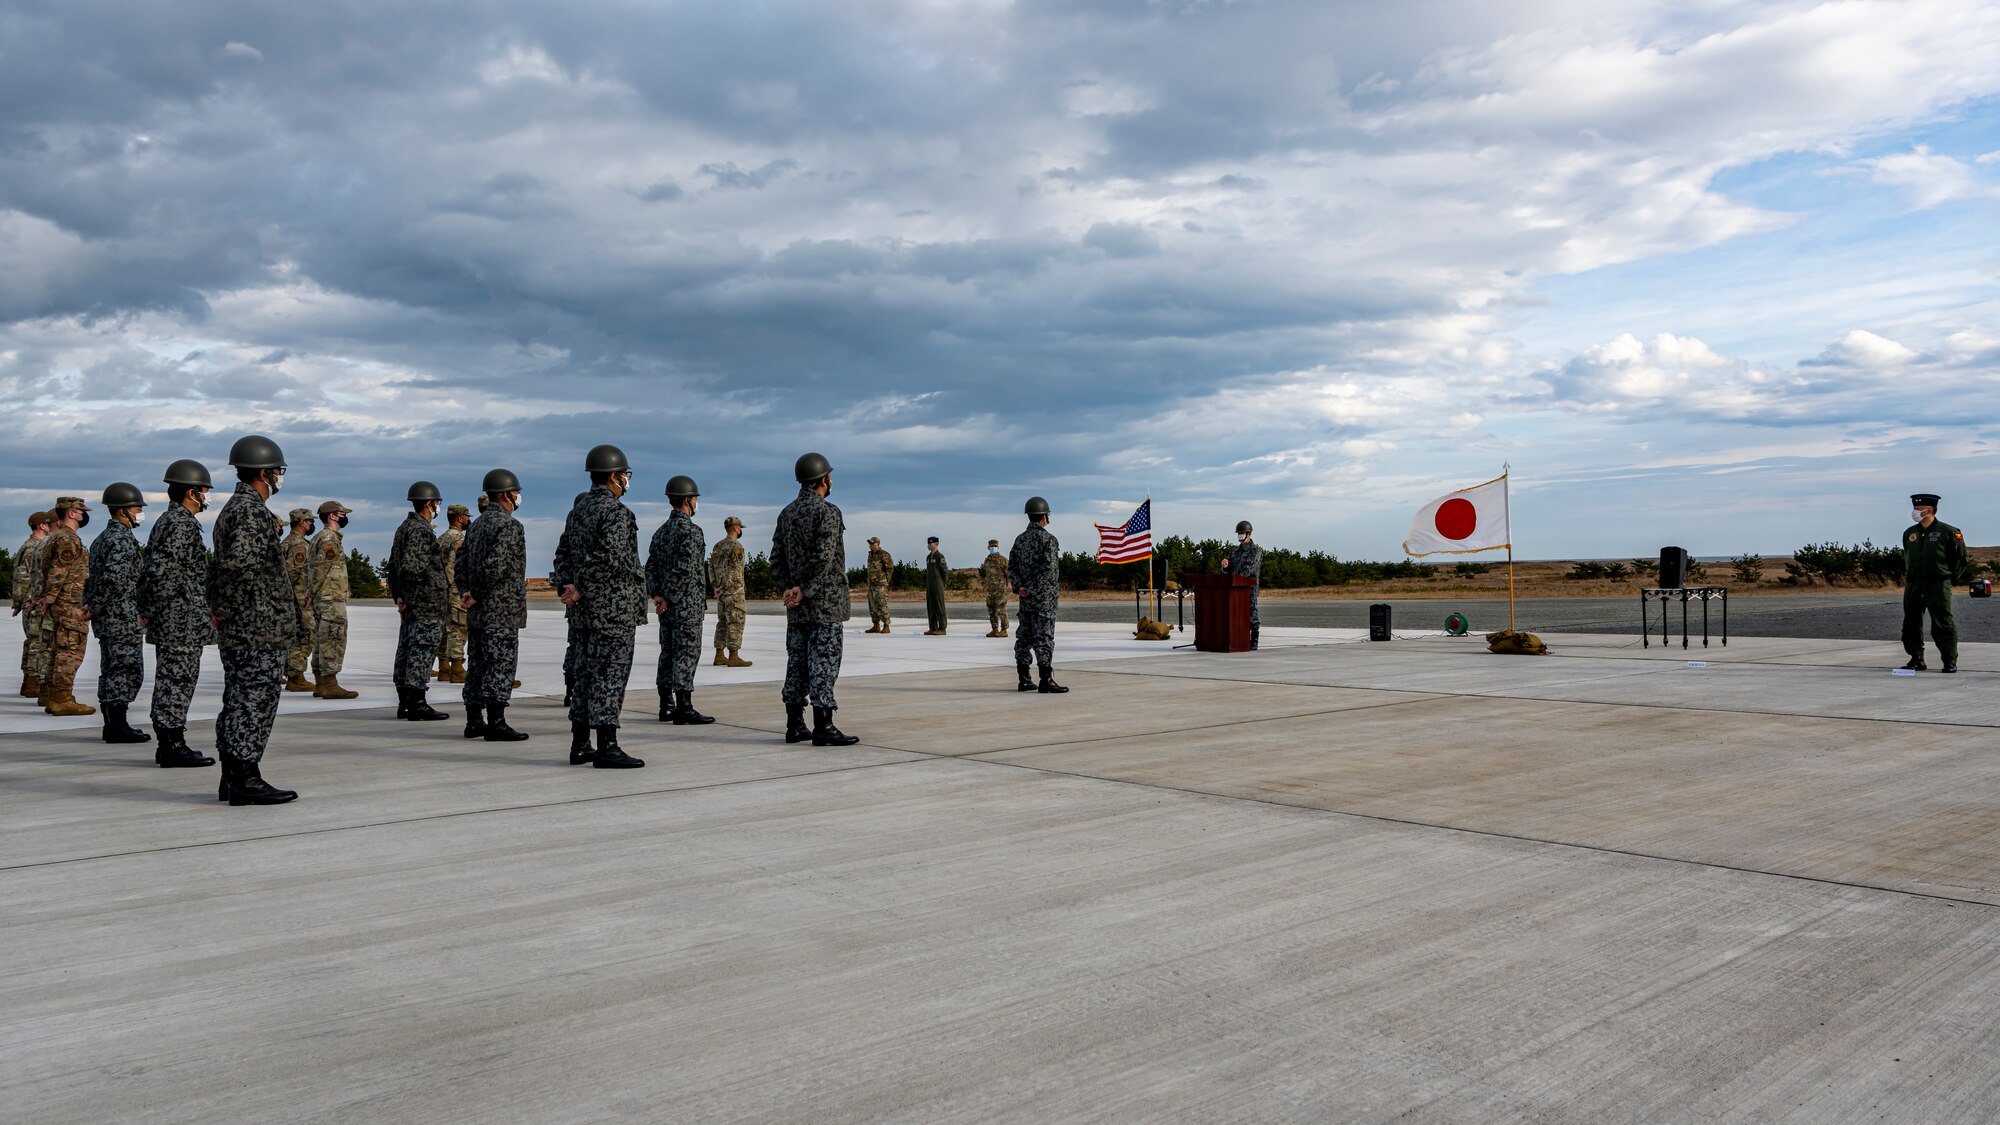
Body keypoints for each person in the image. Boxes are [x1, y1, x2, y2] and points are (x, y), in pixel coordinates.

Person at [207, 434, 303, 805]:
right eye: (278, 471)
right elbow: (236, 567)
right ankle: (245, 779)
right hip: (256, 629)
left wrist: (221, 609)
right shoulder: (250, 511)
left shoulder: (235, 509)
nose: (280, 476)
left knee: (239, 700)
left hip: (247, 627)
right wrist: (225, 609)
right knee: (253, 702)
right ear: (265, 473)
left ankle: (232, 778)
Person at [563, 445, 647, 768]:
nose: (626, 480)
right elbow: (609, 558)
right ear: (613, 476)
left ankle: (580, 743)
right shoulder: (616, 513)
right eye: (624, 475)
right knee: (610, 676)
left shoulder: (578, 511)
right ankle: (607, 746)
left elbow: (563, 554)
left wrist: (568, 585)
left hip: (583, 613)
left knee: (584, 676)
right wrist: (581, 587)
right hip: (613, 611)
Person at [771, 452, 857, 745]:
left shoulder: (787, 513)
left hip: (796, 606)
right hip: (824, 603)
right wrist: (805, 589)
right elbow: (824, 556)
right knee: (824, 662)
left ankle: (794, 725)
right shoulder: (828, 512)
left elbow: (776, 559)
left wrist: (788, 588)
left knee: (796, 662)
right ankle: (824, 725)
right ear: (823, 479)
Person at [137, 459, 217, 768]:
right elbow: (161, 574)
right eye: (205, 490)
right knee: (175, 681)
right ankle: (171, 745)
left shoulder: (176, 522)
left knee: (176, 681)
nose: (208, 496)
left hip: (180, 619)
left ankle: (172, 742)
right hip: (178, 621)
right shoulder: (179, 524)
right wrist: (152, 610)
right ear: (191, 492)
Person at [458, 469, 530, 742]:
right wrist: (476, 592)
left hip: (479, 610)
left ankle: (473, 721)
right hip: (501, 610)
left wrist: (466, 591)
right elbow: (496, 566)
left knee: (477, 664)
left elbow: (461, 561)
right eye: (516, 492)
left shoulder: (475, 525)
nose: (518, 497)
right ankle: (496, 723)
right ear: (506, 494)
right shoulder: (509, 526)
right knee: (500, 665)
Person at [84, 482, 150, 742]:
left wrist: (90, 604)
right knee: (126, 669)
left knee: (111, 669)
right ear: (123, 511)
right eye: (137, 508)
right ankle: (117, 726)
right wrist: (96, 605)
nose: (140, 512)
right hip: (121, 617)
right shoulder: (121, 539)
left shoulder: (102, 538)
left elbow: (92, 581)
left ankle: (112, 724)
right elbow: (113, 579)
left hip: (109, 618)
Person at [647, 475, 713, 724]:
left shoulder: (660, 533)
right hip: (686, 606)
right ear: (687, 500)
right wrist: (669, 597)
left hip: (667, 607)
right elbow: (685, 569)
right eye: (695, 499)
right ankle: (684, 707)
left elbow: (650, 567)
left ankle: (666, 705)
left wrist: (658, 595)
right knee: (686, 653)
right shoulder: (692, 532)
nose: (696, 503)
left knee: (668, 653)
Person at [387, 481, 451, 721]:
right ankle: (417, 704)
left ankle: (405, 703)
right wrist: (411, 598)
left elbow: (393, 568)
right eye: (437, 503)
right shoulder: (420, 530)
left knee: (406, 649)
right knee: (421, 651)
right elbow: (412, 568)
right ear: (428, 503)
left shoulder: (404, 528)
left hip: (413, 602)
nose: (437, 507)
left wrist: (400, 596)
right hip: (426, 603)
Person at [35, 496, 96, 717]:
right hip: (69, 603)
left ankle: (54, 696)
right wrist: (49, 597)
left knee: (57, 651)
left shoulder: (55, 537)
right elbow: (58, 572)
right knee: (69, 652)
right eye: (80, 512)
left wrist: (46, 598)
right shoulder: (67, 539)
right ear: (71, 513)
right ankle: (62, 698)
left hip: (61, 603)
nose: (83, 515)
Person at [1901, 493, 1969, 673]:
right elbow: (1908, 556)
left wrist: (1950, 577)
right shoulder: (1910, 533)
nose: (1914, 511)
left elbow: (1961, 558)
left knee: (1942, 622)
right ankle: (1916, 658)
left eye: (1917, 508)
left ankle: (1949, 660)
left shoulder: (1949, 532)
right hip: (1914, 583)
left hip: (1938, 583)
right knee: (1911, 621)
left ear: (1928, 510)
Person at [1008, 496, 1067, 694]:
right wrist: (1033, 590)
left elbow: (1012, 568)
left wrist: (1020, 588)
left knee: (1024, 639)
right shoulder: (1048, 540)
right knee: (1044, 638)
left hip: (1025, 601)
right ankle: (1046, 680)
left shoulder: (1020, 540)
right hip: (1044, 600)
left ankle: (1024, 679)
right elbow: (1048, 571)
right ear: (1043, 516)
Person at [309, 499, 359, 699]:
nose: (345, 517)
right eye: (342, 514)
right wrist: (314, 593)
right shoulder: (329, 538)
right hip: (330, 597)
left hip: (322, 597)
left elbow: (310, 570)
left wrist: (310, 594)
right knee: (333, 638)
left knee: (322, 639)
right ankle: (330, 684)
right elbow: (321, 570)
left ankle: (320, 683)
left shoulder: (318, 537)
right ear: (333, 516)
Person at [550, 490, 590, 711]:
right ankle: (575, 690)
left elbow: (560, 560)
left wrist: (566, 586)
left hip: (573, 602)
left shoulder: (569, 533)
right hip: (588, 601)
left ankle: (570, 691)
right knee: (582, 649)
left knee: (574, 647)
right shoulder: (588, 532)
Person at [13, 510, 51, 699]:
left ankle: (30, 682)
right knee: (37, 642)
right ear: (42, 526)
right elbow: (22, 577)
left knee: (33, 641)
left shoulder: (31, 545)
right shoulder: (33, 547)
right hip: (33, 601)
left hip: (30, 600)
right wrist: (21, 601)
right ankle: (33, 682)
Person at [281, 508, 316, 692]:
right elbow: (296, 574)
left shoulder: (288, 542)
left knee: (297, 635)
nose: (311, 525)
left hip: (293, 598)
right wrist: (305, 598)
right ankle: (296, 676)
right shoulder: (298, 545)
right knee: (306, 635)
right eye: (309, 521)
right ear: (302, 522)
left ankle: (292, 672)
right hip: (300, 598)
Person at [709, 516, 752, 667]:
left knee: (722, 622)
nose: (740, 530)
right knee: (736, 622)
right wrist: (728, 587)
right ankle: (734, 656)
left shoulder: (717, 546)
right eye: (740, 528)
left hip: (720, 593)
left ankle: (719, 655)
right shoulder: (736, 546)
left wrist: (716, 587)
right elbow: (735, 570)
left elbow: (711, 568)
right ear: (736, 528)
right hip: (734, 591)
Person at [436, 503, 471, 684]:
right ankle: (457, 668)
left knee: (444, 628)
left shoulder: (442, 537)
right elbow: (453, 566)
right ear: (459, 518)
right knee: (458, 628)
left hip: (441, 591)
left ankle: (443, 667)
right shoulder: (458, 538)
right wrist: (457, 589)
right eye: (466, 517)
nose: (468, 520)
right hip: (454, 590)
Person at [1222, 519, 1264, 650]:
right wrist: (1225, 565)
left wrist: (1237, 578)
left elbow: (1249, 568)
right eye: (1238, 533)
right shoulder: (1235, 551)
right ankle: (1238, 637)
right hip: (1234, 589)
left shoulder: (1255, 550)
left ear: (1249, 534)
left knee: (1252, 614)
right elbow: (1228, 568)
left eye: (1242, 533)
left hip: (1248, 588)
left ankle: (1254, 639)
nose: (1240, 535)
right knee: (1235, 614)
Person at [980, 538, 1010, 637]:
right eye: (991, 546)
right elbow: (984, 574)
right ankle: (995, 629)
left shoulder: (1003, 560)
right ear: (988, 547)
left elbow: (1008, 574)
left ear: (998, 547)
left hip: (1000, 590)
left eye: (995, 546)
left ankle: (1004, 630)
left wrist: (1005, 585)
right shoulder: (987, 561)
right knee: (991, 610)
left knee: (1001, 610)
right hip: (990, 590)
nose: (993, 548)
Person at [864, 535, 893, 633]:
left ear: (878, 544)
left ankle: (886, 625)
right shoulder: (870, 555)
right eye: (869, 543)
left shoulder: (884, 554)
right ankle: (876, 626)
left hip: (880, 585)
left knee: (882, 604)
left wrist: (885, 581)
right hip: (871, 585)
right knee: (872, 605)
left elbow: (890, 569)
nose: (870, 545)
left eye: (872, 543)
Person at [923, 537, 949, 635]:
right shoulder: (928, 557)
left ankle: (942, 628)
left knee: (939, 606)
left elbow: (945, 571)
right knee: (931, 606)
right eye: (928, 544)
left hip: (938, 584)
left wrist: (944, 583)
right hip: (929, 584)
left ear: (936, 544)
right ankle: (933, 627)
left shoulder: (940, 556)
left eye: (931, 543)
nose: (929, 545)